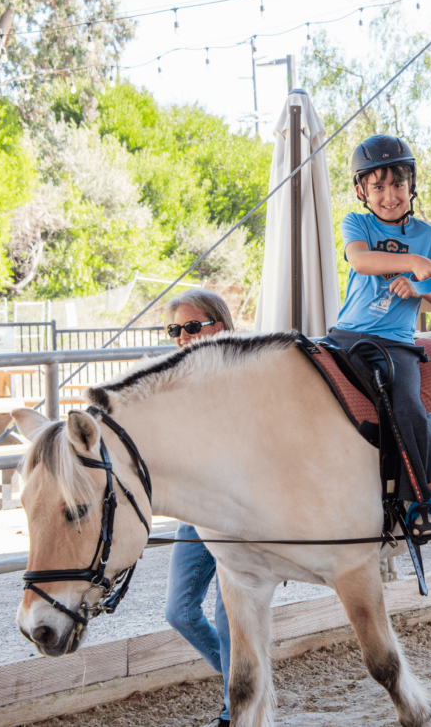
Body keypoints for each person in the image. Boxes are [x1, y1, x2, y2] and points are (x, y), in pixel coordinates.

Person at [320, 133, 431, 542]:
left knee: (408, 407)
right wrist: (413, 263)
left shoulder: (430, 235)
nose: (389, 195)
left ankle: (421, 500)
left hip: (395, 343)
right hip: (346, 335)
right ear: (362, 190)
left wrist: (420, 288)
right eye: (377, 186)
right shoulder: (357, 222)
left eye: (397, 184)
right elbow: (361, 260)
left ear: (411, 186)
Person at [163, 288, 235, 727]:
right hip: (196, 510)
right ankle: (244, 675)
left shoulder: (245, 373)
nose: (183, 337)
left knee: (231, 620)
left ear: (218, 326)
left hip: (239, 515)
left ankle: (236, 704)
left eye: (192, 326)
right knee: (179, 611)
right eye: (175, 329)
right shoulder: (174, 381)